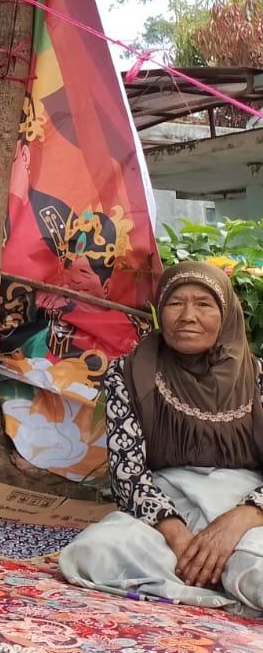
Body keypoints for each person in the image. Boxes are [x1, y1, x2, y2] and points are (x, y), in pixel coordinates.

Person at [59, 262, 263, 614]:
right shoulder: (130, 372)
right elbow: (128, 474)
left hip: (245, 507)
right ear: (160, 311)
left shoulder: (258, 376)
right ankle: (211, 578)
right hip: (168, 507)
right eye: (174, 303)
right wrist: (179, 537)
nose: (187, 316)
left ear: (226, 313)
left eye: (203, 304)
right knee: (97, 551)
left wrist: (242, 518)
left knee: (254, 565)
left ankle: (211, 576)